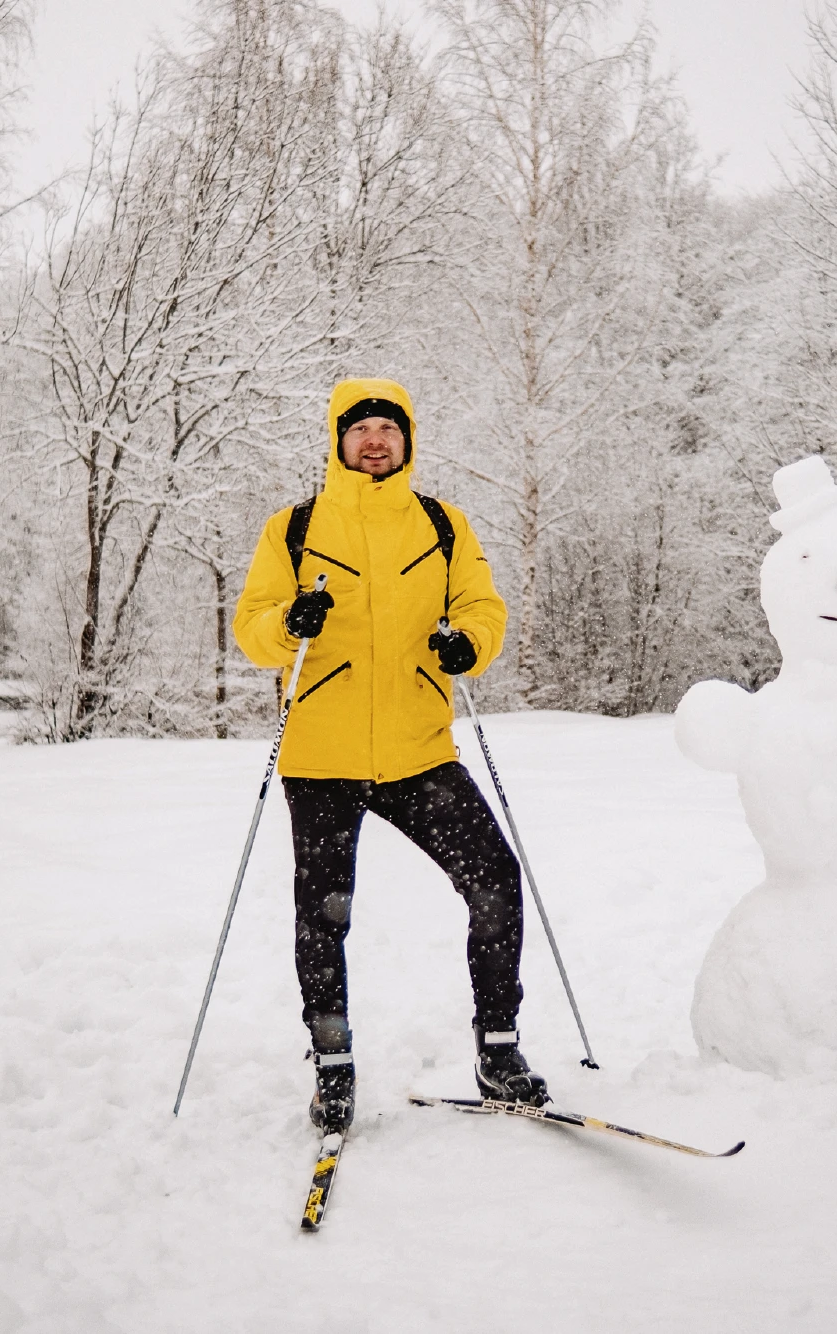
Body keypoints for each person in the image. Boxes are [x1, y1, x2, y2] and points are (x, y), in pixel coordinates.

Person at [233, 377, 547, 1133]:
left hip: (417, 750)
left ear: (407, 441)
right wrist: (289, 620)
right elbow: (252, 628)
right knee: (324, 913)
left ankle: (498, 1051)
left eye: (389, 428)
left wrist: (468, 640)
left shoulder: (441, 524)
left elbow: (482, 604)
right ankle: (332, 1068)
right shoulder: (295, 527)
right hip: (322, 754)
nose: (375, 440)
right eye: (361, 428)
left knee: (496, 881)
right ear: (338, 441)